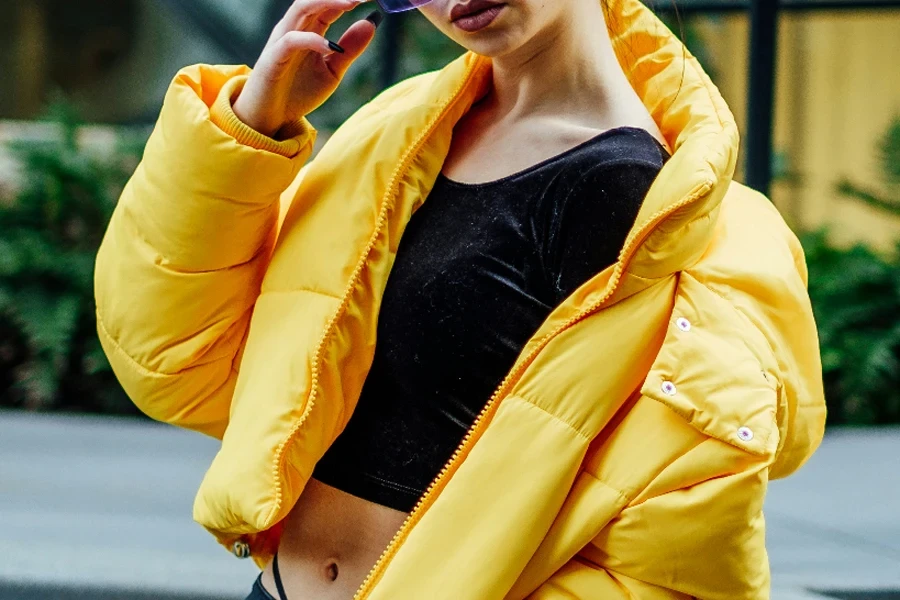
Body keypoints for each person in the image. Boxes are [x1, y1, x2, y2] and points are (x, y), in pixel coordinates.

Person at [94, 0, 827, 597]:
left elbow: (661, 543)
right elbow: (179, 356)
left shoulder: (627, 192)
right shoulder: (402, 129)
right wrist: (251, 128)